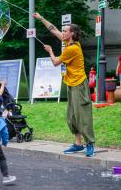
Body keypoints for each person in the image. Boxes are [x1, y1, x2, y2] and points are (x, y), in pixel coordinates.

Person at [33, 13, 95, 157]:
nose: (63, 33)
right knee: (72, 116)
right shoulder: (69, 42)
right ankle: (78, 144)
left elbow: (55, 62)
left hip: (80, 84)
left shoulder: (72, 48)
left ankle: (90, 143)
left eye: (66, 31)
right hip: (72, 84)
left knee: (83, 116)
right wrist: (41, 18)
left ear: (72, 34)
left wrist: (50, 51)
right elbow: (53, 29)